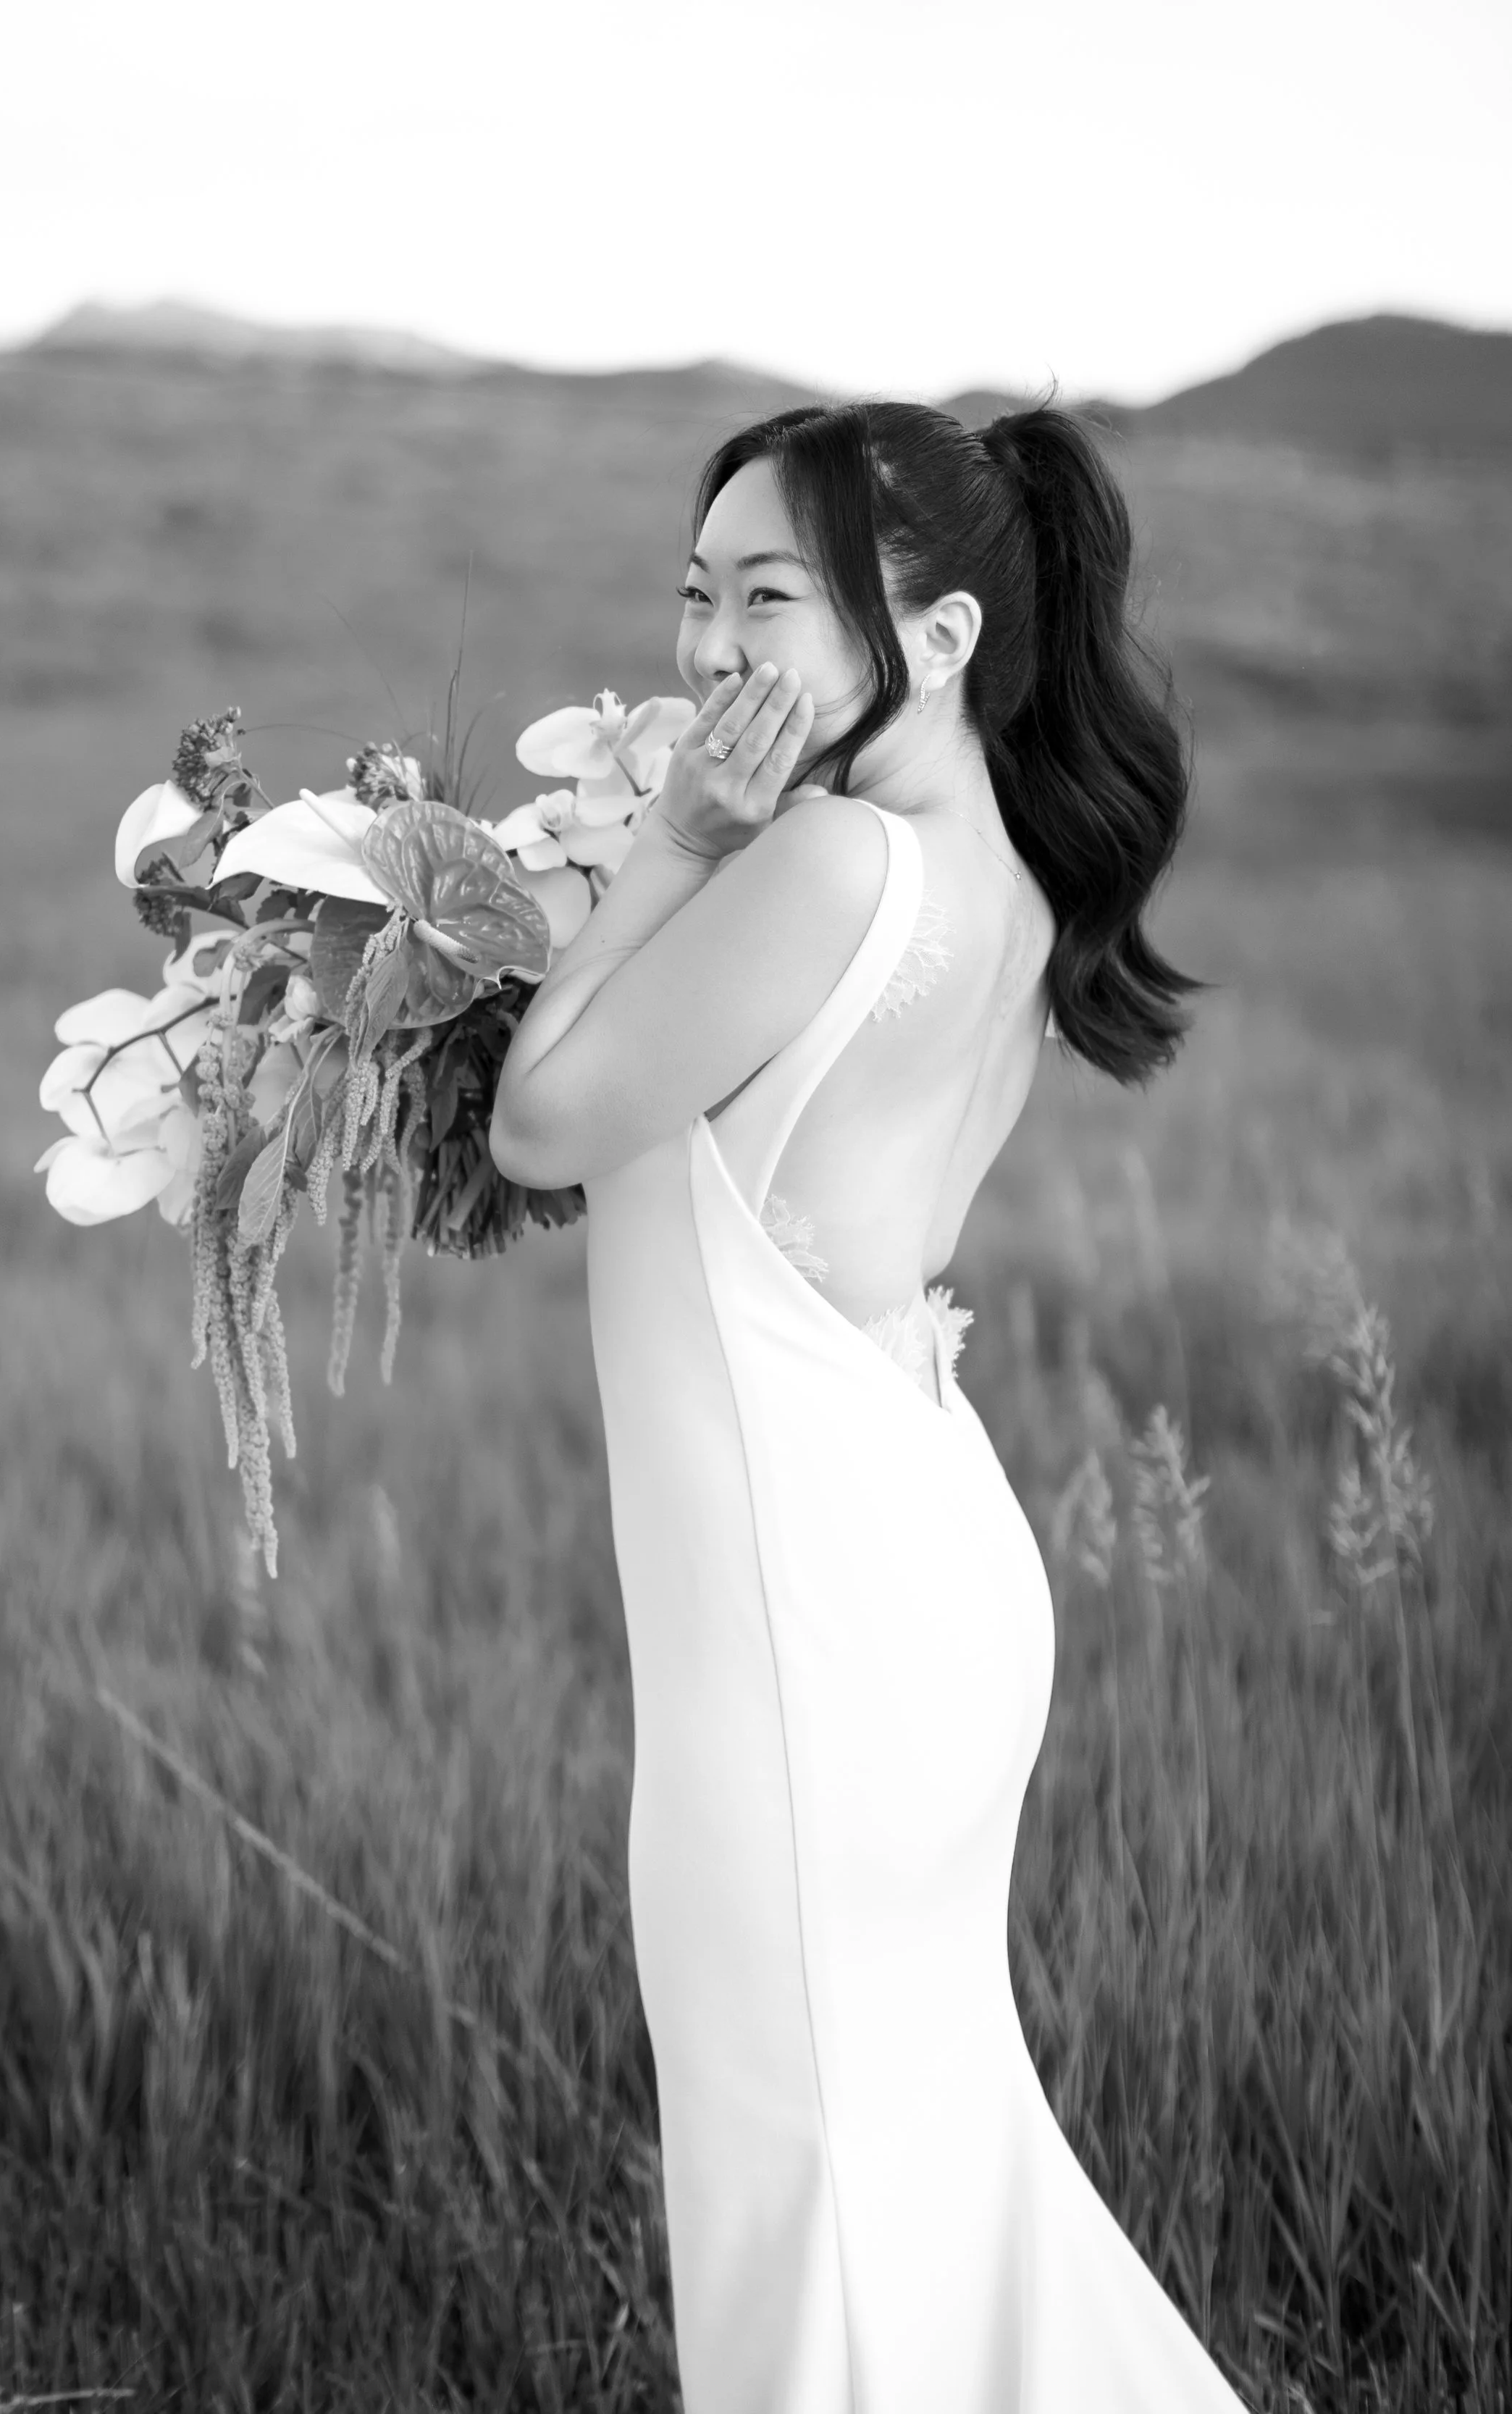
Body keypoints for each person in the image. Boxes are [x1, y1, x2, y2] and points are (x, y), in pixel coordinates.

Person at [490, 399, 1247, 2411]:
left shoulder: (821, 858)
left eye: (770, 600)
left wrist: (670, 839)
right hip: (917, 1579)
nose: (711, 649)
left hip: (807, 1642)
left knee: (803, 2191)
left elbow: (544, 1115)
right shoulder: (984, 867)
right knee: (922, 2163)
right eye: (692, 597)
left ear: (927, 638)